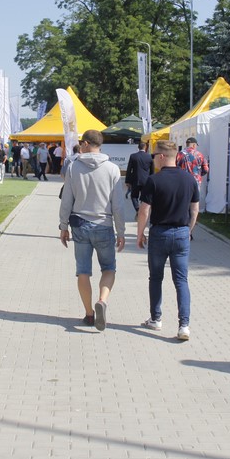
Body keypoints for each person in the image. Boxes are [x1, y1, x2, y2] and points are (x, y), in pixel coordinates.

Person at [59, 129, 125, 331]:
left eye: (82, 142)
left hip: (79, 224)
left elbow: (67, 199)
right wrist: (121, 231)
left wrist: (63, 226)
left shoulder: (73, 167)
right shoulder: (112, 169)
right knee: (109, 268)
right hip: (104, 224)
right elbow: (118, 205)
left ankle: (89, 314)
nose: (80, 145)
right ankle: (102, 300)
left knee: (83, 271)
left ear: (87, 143)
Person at [137, 140, 199, 341]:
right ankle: (184, 325)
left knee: (156, 277)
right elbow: (195, 209)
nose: (153, 159)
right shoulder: (189, 179)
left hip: (159, 233)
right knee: (181, 280)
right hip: (181, 233)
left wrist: (140, 233)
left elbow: (144, 210)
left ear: (162, 156)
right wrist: (188, 230)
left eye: (154, 155)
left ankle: (156, 319)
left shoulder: (154, 180)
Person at [124, 142, 154, 212]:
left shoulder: (133, 156)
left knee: (134, 196)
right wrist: (152, 180)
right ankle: (143, 210)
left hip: (135, 180)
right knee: (144, 197)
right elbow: (152, 170)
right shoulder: (149, 157)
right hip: (146, 180)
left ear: (138, 147)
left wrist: (127, 181)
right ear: (145, 147)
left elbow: (129, 169)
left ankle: (137, 209)